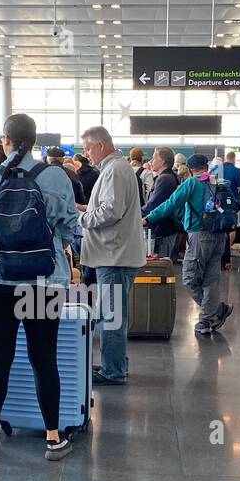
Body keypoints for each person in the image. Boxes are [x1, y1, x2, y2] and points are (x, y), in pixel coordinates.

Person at [0, 113, 80, 462]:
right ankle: (53, 438)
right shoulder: (55, 176)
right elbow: (70, 227)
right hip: (43, 282)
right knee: (44, 358)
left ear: (5, 141)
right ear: (34, 141)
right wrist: (51, 246)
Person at [79, 126, 146, 387]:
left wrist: (81, 217)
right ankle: (114, 364)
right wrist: (86, 207)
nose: (86, 154)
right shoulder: (115, 169)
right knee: (112, 314)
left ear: (100, 146)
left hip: (114, 257)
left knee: (112, 317)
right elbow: (110, 207)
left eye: (87, 148)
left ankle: (113, 371)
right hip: (113, 255)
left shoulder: (115, 170)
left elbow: (111, 212)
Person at [142, 153, 236, 336]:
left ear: (191, 169)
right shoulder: (218, 182)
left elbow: (170, 204)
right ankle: (208, 320)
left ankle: (213, 312)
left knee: (189, 278)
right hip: (220, 236)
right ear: (206, 167)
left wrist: (148, 218)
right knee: (211, 279)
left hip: (200, 236)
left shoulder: (192, 183)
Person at [141, 147, 182, 261]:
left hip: (163, 230)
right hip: (163, 229)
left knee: (160, 268)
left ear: (163, 161)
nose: (151, 161)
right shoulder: (167, 177)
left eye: (154, 158)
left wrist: (136, 215)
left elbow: (154, 204)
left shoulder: (165, 179)